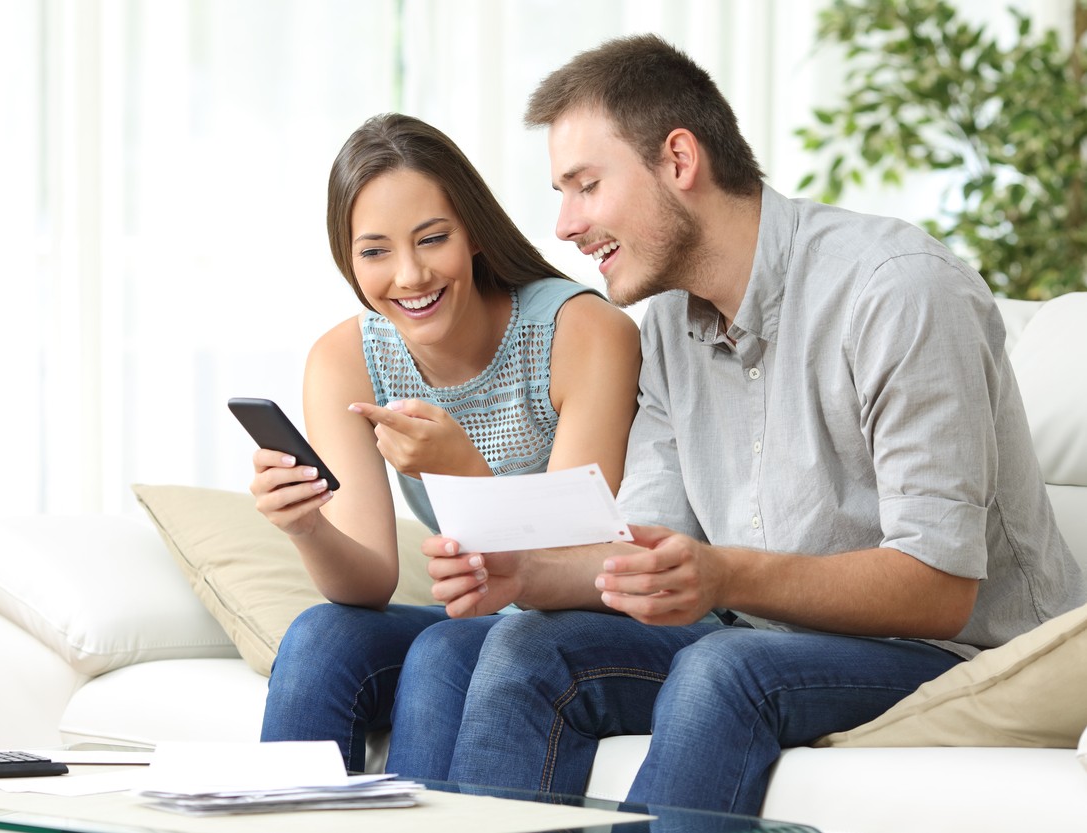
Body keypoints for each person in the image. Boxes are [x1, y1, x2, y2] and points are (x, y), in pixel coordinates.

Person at [404, 34, 1087, 815]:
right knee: (515, 646)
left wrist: (724, 576)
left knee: (723, 669)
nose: (564, 224)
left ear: (680, 160)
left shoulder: (897, 290)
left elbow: (939, 588)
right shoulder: (664, 330)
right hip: (763, 634)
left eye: (585, 186)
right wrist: (522, 575)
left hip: (957, 653)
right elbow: (645, 547)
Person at [252, 113, 641, 774]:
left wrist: (457, 465)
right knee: (320, 636)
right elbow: (371, 578)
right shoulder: (347, 359)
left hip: (591, 616)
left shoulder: (584, 332)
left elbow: (576, 558)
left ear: (474, 236)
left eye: (432, 239)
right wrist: (308, 526)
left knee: (446, 649)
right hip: (490, 614)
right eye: (374, 251)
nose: (408, 275)